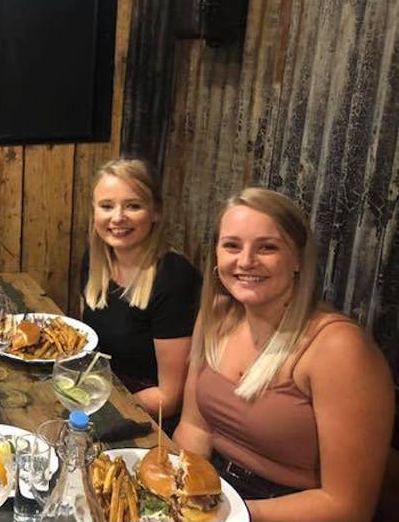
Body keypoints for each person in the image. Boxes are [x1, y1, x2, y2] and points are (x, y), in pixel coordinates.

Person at [174, 187, 394, 521]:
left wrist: (231, 514)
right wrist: (178, 497)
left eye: (268, 247)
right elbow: (195, 428)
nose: (246, 261)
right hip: (216, 491)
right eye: (232, 245)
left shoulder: (339, 348)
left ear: (297, 260)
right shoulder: (216, 314)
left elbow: (347, 506)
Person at [79, 159, 201, 432]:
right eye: (107, 206)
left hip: (147, 420)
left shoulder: (174, 277)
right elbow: (87, 346)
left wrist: (102, 407)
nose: (118, 217)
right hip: (99, 395)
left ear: (155, 212)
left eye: (133, 206)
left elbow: (169, 399)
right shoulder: (95, 261)